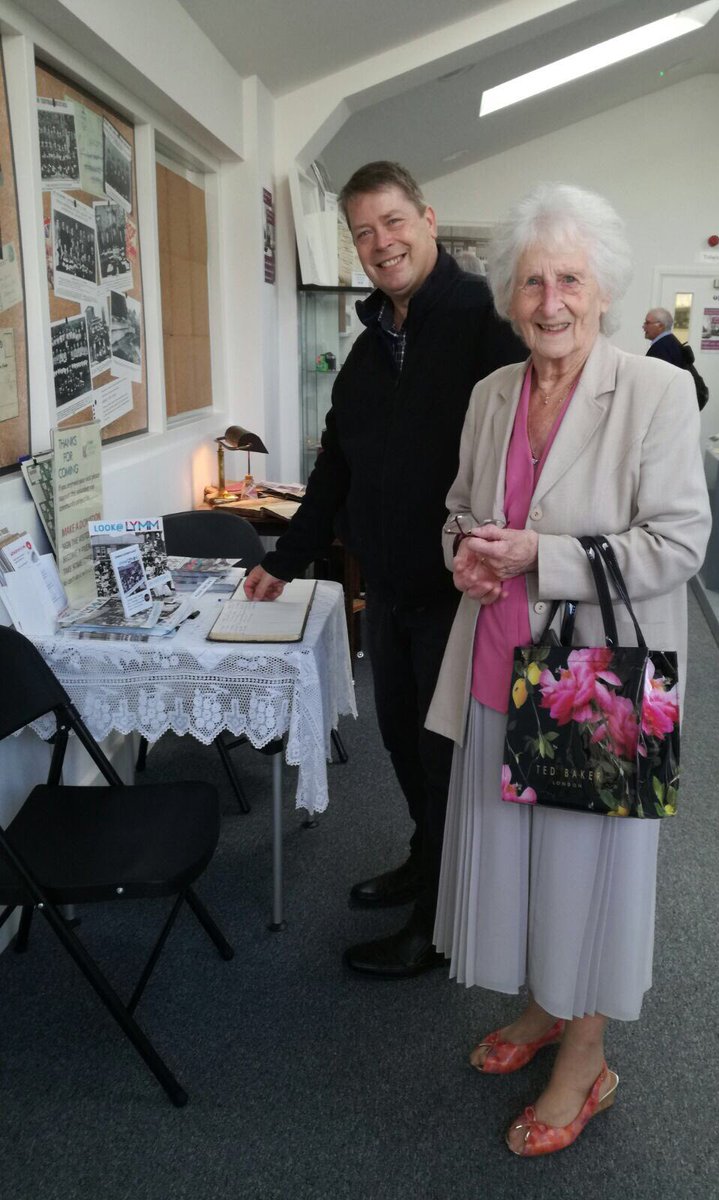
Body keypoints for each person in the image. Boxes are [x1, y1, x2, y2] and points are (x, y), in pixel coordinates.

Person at [425, 183, 711, 1156]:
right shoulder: (491, 395)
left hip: (599, 678)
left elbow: (679, 543)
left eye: (570, 280)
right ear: (510, 296)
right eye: (533, 280)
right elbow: (462, 508)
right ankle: (548, 1005)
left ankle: (586, 1058)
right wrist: (463, 547)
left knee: (589, 878)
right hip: (499, 664)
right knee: (519, 861)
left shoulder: (657, 392)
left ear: (602, 290)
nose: (551, 300)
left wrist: (532, 558)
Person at [243, 161, 524, 978]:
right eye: (363, 232)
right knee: (402, 741)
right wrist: (287, 559)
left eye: (393, 222)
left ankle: (439, 924)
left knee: (446, 757)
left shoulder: (486, 321)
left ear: (428, 219)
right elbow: (337, 467)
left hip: (461, 595)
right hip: (393, 591)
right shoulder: (369, 350)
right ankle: (423, 861)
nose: (381, 243)